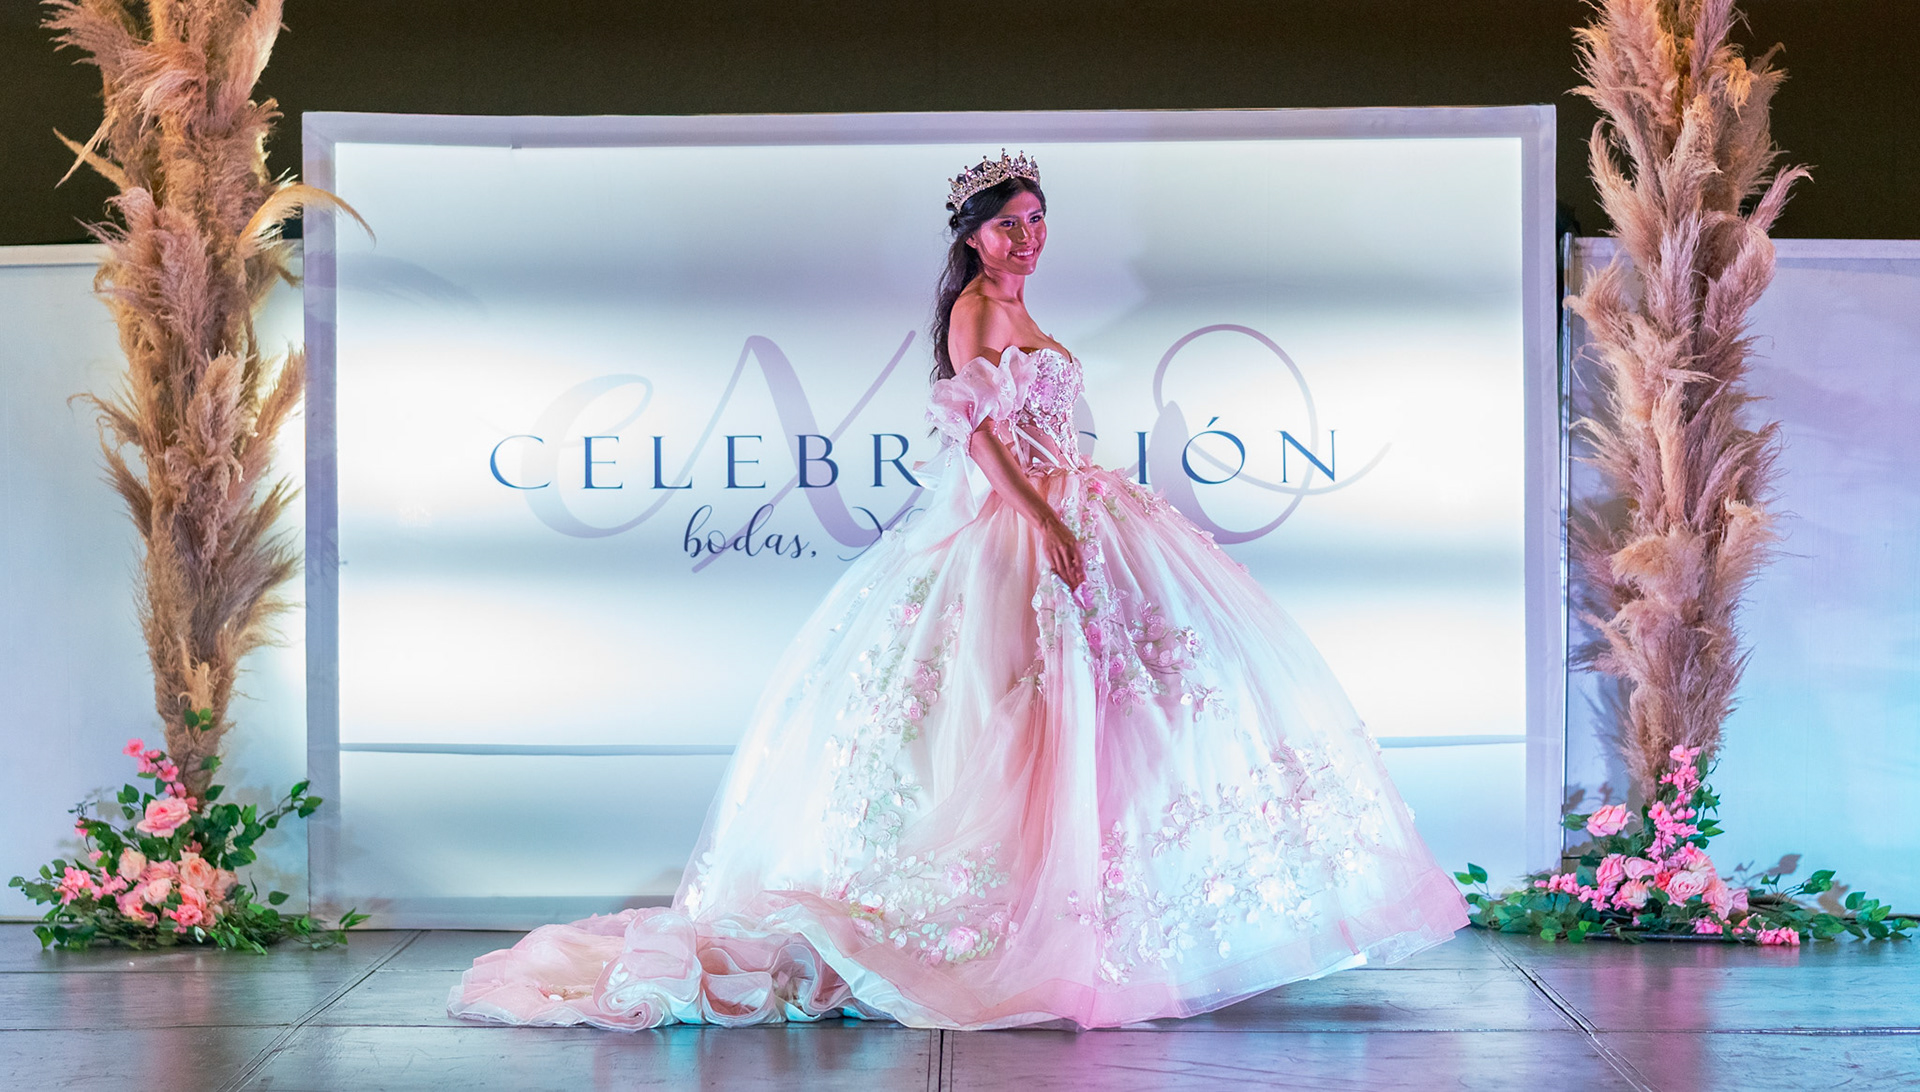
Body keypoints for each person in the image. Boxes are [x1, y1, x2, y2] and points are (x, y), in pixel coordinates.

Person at [448, 151, 1468, 1032]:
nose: (1027, 239)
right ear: (974, 237)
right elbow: (980, 441)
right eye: (1009, 225)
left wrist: (1074, 503)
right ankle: (1016, 926)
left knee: (1119, 713)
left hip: (1081, 508)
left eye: (1037, 222)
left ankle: (1102, 922)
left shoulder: (1019, 308)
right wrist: (1049, 521)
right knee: (1015, 717)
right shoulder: (978, 311)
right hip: (1027, 527)